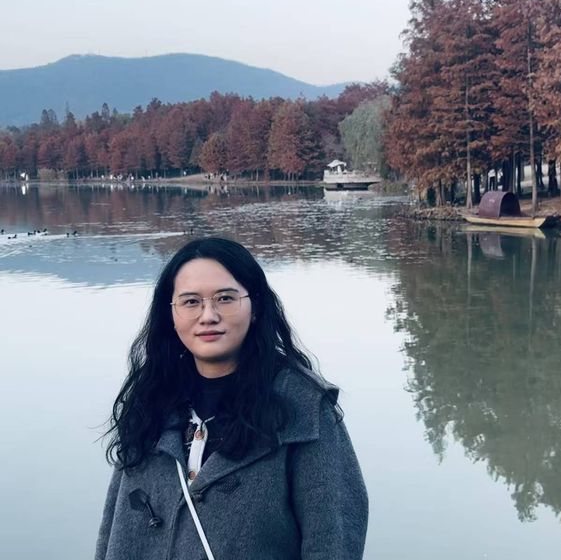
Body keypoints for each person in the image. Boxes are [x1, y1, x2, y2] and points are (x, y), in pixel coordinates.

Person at [95, 237, 368, 560]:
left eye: (225, 298)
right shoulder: (151, 403)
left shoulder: (303, 407)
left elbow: (333, 541)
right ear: (171, 314)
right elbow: (114, 530)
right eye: (191, 301)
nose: (208, 315)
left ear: (255, 308)